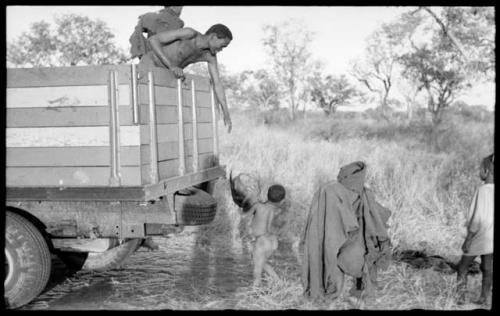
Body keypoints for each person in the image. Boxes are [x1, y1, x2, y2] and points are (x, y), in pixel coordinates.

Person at [139, 24, 233, 132]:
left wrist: (226, 113)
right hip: (150, 64)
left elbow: (217, 84)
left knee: (161, 116)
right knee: (144, 109)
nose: (221, 50)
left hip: (165, 77)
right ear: (213, 36)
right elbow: (153, 40)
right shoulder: (189, 34)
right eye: (222, 46)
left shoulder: (210, 56)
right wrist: (171, 66)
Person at [230, 173, 286, 286]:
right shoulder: (275, 209)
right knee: (262, 262)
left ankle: (256, 287)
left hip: (261, 241)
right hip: (272, 241)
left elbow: (245, 215)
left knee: (257, 268)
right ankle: (278, 281)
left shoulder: (259, 206)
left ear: (267, 194)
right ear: (281, 201)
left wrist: (240, 210)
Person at [455, 153, 494, 306]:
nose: (479, 172)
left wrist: (468, 238)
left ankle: (460, 299)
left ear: (487, 171)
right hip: (491, 236)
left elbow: (476, 217)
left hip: (480, 235)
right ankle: (484, 298)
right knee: (487, 267)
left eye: (480, 168)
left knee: (462, 267)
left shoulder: (482, 190)